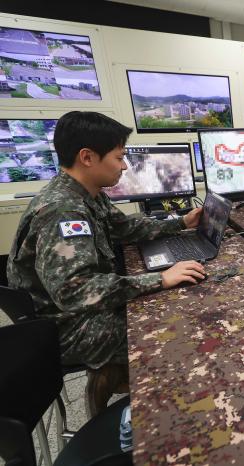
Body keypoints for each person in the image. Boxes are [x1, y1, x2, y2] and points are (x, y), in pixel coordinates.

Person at [6, 111, 206, 416]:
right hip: (62, 327)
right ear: (87, 157)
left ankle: (119, 382)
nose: (124, 166)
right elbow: (76, 290)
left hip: (65, 313)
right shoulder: (63, 210)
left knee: (163, 308)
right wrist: (159, 280)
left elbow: (124, 228)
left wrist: (181, 223)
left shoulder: (87, 194)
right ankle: (159, 417)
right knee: (165, 330)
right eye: (118, 157)